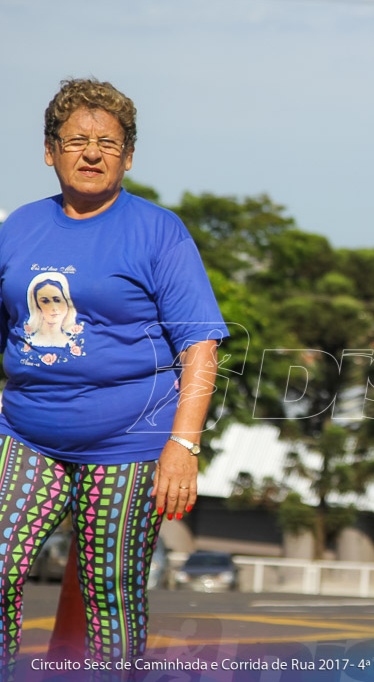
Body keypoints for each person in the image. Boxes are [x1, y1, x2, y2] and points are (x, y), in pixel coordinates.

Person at [0, 78, 227, 672]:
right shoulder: (18, 228)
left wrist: (182, 446)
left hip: (128, 446)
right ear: (49, 150)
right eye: (76, 140)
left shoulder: (158, 231)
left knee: (112, 596)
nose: (92, 153)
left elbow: (200, 346)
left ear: (129, 156)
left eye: (108, 142)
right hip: (26, 437)